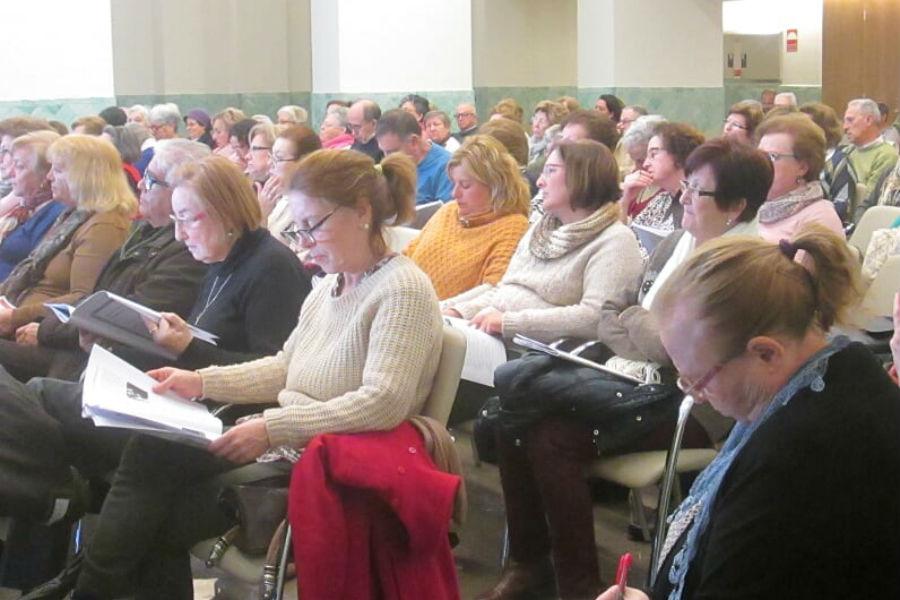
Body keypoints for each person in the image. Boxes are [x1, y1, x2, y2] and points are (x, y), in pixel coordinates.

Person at [59, 148, 442, 599]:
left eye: (312, 225)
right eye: (298, 228)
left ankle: (85, 587)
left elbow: (383, 402)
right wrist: (202, 381)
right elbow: (284, 365)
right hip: (295, 444)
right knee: (153, 474)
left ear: (362, 212)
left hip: (333, 464)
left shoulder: (402, 290)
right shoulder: (332, 285)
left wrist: (272, 427)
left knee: (154, 490)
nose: (304, 242)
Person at [478, 139, 772, 600]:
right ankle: (531, 564)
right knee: (513, 416)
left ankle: (577, 584)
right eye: (686, 185)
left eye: (698, 191)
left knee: (549, 436)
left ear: (735, 207)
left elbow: (677, 354)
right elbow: (610, 313)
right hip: (632, 377)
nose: (682, 197)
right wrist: (643, 326)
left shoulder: (745, 266)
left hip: (697, 404)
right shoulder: (677, 241)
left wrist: (638, 323)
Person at [597, 226, 900, 600]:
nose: (697, 397)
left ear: (765, 353)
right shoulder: (835, 379)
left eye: (699, 380)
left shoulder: (802, 457)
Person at [0, 139, 210, 384]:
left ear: (180, 193)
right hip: (78, 345)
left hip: (91, 357)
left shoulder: (113, 227)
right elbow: (99, 298)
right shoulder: (143, 229)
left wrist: (32, 325)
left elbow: (130, 316)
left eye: (150, 180)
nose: (140, 184)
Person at [442, 140, 643, 343]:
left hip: (538, 352)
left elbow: (595, 317)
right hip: (502, 338)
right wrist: (456, 311)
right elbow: (504, 291)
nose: (539, 182)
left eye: (550, 171)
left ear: (581, 176)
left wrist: (508, 322)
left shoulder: (616, 242)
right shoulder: (540, 230)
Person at [0, 135, 134, 337]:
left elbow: (83, 299)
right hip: (20, 318)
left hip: (40, 332)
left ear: (84, 176)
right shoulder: (75, 214)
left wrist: (14, 317)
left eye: (58, 170)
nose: (49, 177)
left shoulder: (104, 226)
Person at [403, 135, 530, 300]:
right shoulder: (449, 210)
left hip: (448, 314)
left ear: (495, 185)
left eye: (465, 185)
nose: (454, 193)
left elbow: (493, 289)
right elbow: (408, 254)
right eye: (454, 183)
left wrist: (437, 309)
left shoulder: (513, 227)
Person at [755, 114, 844, 242]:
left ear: (802, 167)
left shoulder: (821, 220)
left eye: (772, 156)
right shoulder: (755, 206)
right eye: (758, 155)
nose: (760, 163)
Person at [620, 123, 705, 249]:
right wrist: (625, 200)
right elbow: (624, 244)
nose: (646, 164)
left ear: (679, 154)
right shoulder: (660, 200)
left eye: (653, 154)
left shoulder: (699, 203)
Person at [0, 131, 66, 281]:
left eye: (19, 166)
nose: (10, 173)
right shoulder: (24, 207)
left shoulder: (57, 213)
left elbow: (34, 274)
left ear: (47, 174)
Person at [256, 125, 322, 247]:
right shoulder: (283, 199)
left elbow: (291, 255)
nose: (270, 164)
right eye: (271, 157)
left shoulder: (314, 206)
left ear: (304, 162)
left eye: (278, 158)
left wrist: (262, 218)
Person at [377, 109, 454, 205]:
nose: (387, 159)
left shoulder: (446, 167)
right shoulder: (390, 167)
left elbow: (448, 211)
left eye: (392, 152)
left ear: (413, 141)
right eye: (383, 152)